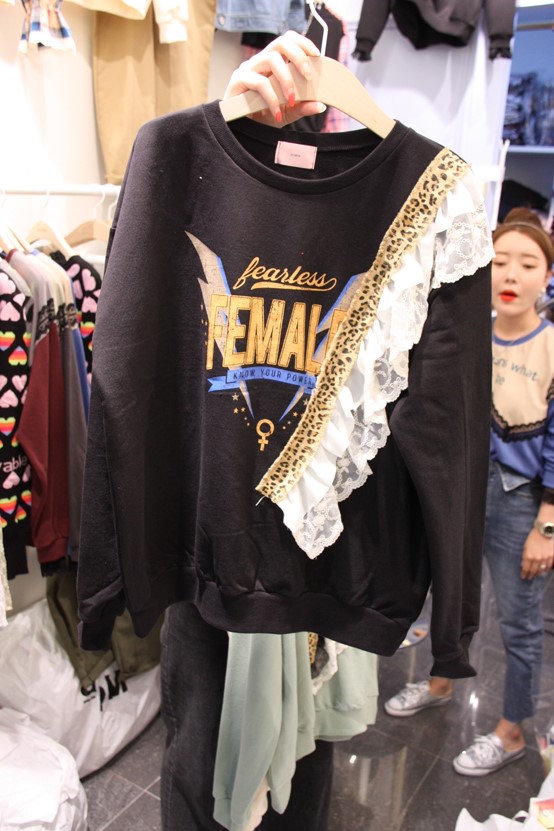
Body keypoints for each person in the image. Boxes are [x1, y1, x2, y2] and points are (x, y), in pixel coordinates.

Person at [384, 207, 554, 777]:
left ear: (546, 275)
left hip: (518, 499)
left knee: (519, 623)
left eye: (527, 263)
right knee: (449, 596)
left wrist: (547, 525)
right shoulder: (466, 336)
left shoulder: (551, 345)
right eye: (500, 261)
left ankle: (511, 731)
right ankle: (439, 684)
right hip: (460, 486)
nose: (511, 275)